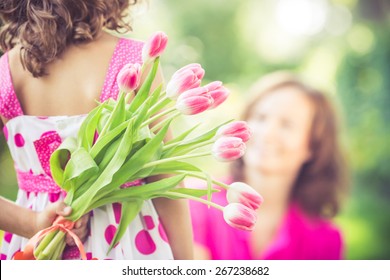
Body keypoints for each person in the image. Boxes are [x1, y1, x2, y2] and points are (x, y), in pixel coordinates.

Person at [0, 0, 192, 260]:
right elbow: (167, 183)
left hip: (35, 247)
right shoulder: (136, 62)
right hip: (126, 246)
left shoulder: (6, 73)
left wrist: (32, 221)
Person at [190, 71, 349, 260]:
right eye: (260, 117)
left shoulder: (326, 240)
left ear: (313, 147)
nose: (267, 133)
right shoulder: (196, 203)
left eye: (287, 124)